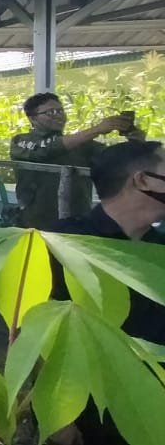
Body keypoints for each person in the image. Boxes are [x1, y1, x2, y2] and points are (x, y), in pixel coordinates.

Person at [47, 140, 165, 445]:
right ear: (142, 180)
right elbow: (35, 330)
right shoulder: (64, 241)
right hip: (92, 407)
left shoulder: (159, 248)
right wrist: (58, 416)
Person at [10, 93, 142, 228]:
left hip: (77, 218)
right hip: (37, 220)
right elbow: (46, 149)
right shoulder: (20, 141)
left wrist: (136, 142)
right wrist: (97, 130)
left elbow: (116, 159)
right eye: (51, 112)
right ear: (33, 119)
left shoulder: (82, 145)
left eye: (61, 111)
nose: (58, 115)